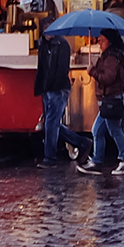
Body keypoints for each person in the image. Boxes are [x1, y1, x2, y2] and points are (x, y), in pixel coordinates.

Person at [80, 30, 124, 175]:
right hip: (108, 100)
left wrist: (93, 71)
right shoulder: (110, 56)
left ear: (110, 42)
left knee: (114, 130)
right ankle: (97, 161)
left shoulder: (111, 57)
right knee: (97, 130)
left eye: (103, 40)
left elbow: (108, 78)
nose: (99, 41)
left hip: (111, 99)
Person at [35, 30, 90, 168]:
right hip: (49, 88)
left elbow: (60, 69)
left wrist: (49, 86)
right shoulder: (48, 43)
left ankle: (50, 157)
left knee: (51, 123)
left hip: (57, 89)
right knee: (51, 123)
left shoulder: (61, 44)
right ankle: (82, 142)